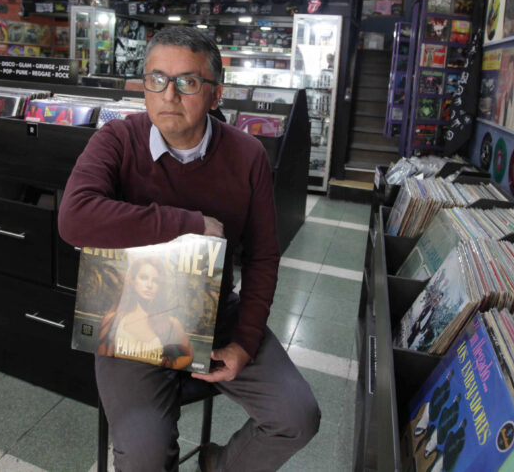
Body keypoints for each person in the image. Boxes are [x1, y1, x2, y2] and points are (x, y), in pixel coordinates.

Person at [59, 26, 320, 471]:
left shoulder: (248, 155)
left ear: (216, 94)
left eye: (188, 82)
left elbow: (262, 256)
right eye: (156, 79)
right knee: (143, 459)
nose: (169, 95)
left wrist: (245, 342)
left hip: (214, 309)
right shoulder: (117, 139)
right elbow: (74, 218)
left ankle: (217, 465)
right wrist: (190, 224)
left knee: (296, 417)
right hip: (130, 317)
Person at [97, 256, 194, 370]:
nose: (149, 285)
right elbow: (102, 361)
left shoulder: (170, 323)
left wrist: (168, 367)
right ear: (133, 281)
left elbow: (188, 355)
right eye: (143, 278)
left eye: (155, 281)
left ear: (160, 286)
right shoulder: (112, 319)